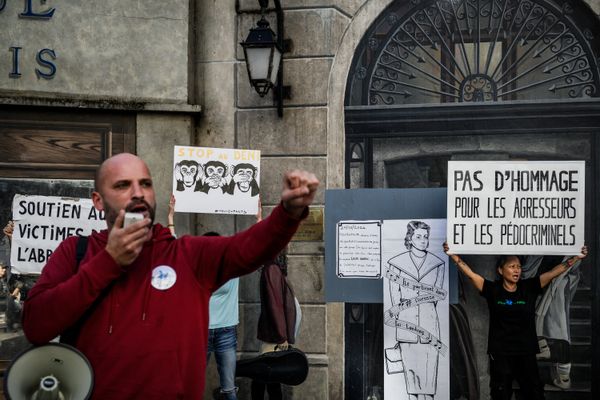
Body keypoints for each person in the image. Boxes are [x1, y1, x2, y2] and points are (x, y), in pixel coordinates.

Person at [22, 152, 319, 400]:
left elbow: (248, 248)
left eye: (146, 183)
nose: (138, 192)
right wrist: (108, 262)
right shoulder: (75, 252)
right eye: (123, 185)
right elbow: (37, 325)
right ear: (98, 201)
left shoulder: (187, 255)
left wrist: (287, 213)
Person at [443, 243, 588, 400]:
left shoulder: (529, 287)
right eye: (512, 266)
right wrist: (453, 256)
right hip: (501, 354)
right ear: (501, 270)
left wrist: (574, 258)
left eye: (519, 266)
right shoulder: (493, 290)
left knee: (534, 394)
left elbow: (553, 273)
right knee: (501, 394)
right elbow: (471, 274)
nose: (517, 270)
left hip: (526, 353)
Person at [386, 221, 445, 400]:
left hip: (429, 326)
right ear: (410, 239)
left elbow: (436, 296)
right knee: (411, 384)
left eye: (425, 237)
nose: (423, 241)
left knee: (428, 384)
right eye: (418, 237)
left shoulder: (438, 264)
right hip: (406, 327)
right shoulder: (396, 263)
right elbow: (395, 296)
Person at [251, 248, 300, 400]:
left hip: (273, 334)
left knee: (268, 376)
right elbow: (275, 306)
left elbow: (276, 305)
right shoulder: (272, 269)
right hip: (274, 335)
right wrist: (282, 337)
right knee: (264, 376)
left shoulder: (272, 268)